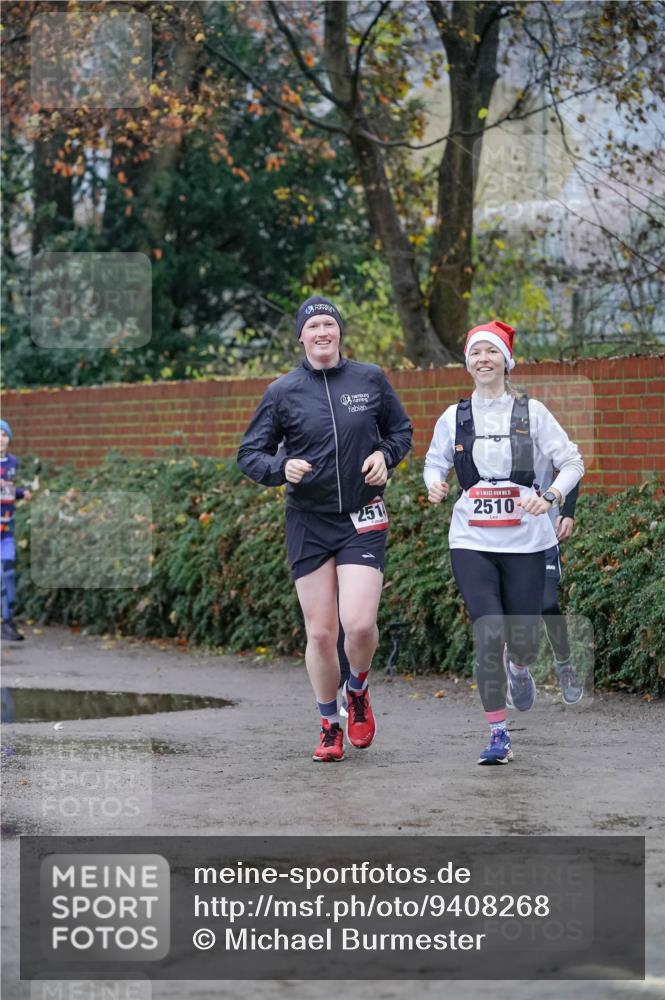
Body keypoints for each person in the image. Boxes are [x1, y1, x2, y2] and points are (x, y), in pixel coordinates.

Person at [237, 296, 412, 762]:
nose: (321, 332)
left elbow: (401, 432)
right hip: (309, 521)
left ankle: (357, 688)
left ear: (339, 333)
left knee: (358, 624)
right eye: (312, 325)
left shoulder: (370, 379)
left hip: (362, 516)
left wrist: (384, 457)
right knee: (319, 634)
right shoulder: (281, 392)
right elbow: (249, 454)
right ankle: (329, 724)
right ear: (300, 336)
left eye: (328, 325)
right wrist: (281, 467)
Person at [424, 321, 584, 765]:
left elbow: (572, 461)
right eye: (475, 352)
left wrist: (551, 497)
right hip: (471, 538)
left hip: (527, 542)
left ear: (506, 361)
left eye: (491, 352)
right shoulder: (454, 417)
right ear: (467, 363)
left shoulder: (532, 413)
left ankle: (520, 667)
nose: (483, 359)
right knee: (489, 629)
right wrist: (435, 484)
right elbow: (433, 462)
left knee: (523, 641)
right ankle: (498, 733)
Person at [541, 478, 583, 703]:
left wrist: (568, 513)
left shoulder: (550, 441)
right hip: (509, 538)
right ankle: (516, 671)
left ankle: (565, 668)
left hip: (546, 533)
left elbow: (571, 466)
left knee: (548, 605)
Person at [1, 419, 32, 641]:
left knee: (9, 574)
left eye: (4, 435)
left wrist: (23, 493)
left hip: (7, 529)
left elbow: (9, 489)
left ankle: (8, 621)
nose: (0, 439)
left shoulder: (13, 462)